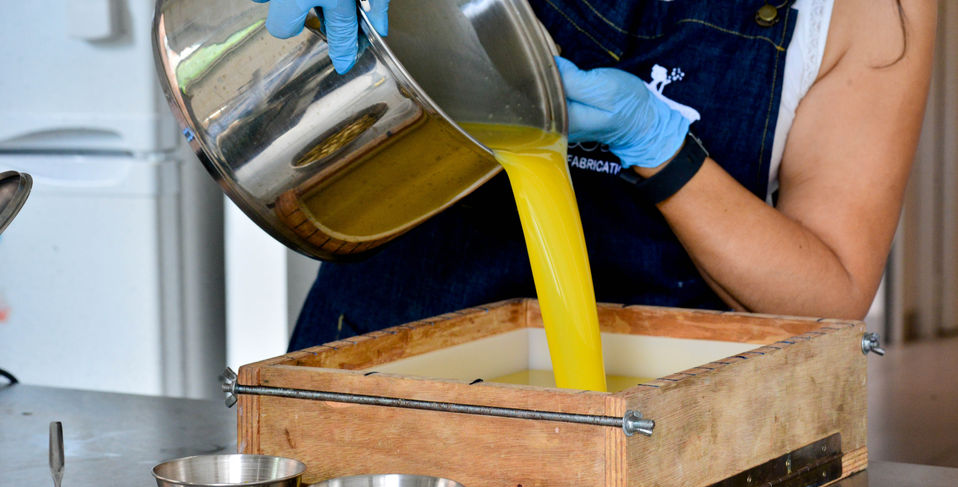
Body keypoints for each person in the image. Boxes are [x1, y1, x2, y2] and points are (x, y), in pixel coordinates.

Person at [253, 0, 936, 350]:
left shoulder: (868, 14)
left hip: (651, 421)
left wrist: (660, 146)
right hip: (390, 370)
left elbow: (830, 289)